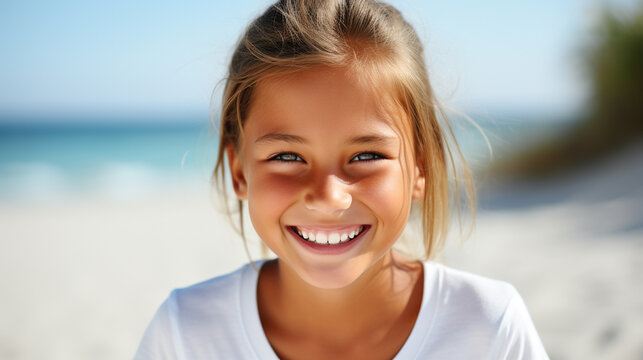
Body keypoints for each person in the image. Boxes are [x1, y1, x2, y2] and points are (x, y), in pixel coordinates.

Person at [135, 0, 549, 359]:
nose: (329, 197)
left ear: (420, 168)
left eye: (366, 156)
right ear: (239, 173)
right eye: (287, 156)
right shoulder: (185, 334)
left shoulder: (489, 328)